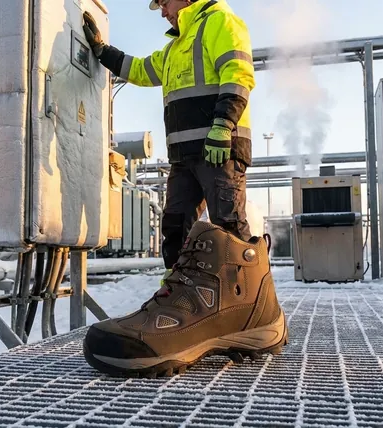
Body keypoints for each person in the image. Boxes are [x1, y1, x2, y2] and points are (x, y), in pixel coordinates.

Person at [81, 0, 286, 377]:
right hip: (185, 154)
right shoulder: (176, 46)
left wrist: (223, 125)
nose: (161, 10)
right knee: (175, 227)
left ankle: (250, 311)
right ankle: (182, 307)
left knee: (227, 232)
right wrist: (101, 51)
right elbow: (140, 70)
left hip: (219, 147)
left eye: (164, 1)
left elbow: (239, 72)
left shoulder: (221, 22)